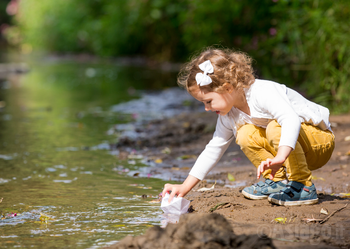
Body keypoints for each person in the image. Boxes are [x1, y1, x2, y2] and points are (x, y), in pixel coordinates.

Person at [162, 47, 335, 206]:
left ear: (228, 88)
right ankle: (278, 182)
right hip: (291, 154)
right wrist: (185, 187)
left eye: (208, 101)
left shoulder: (261, 92)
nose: (206, 108)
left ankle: (303, 185)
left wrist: (280, 157)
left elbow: (291, 119)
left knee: (276, 127)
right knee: (244, 133)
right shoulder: (229, 115)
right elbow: (213, 149)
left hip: (318, 143)